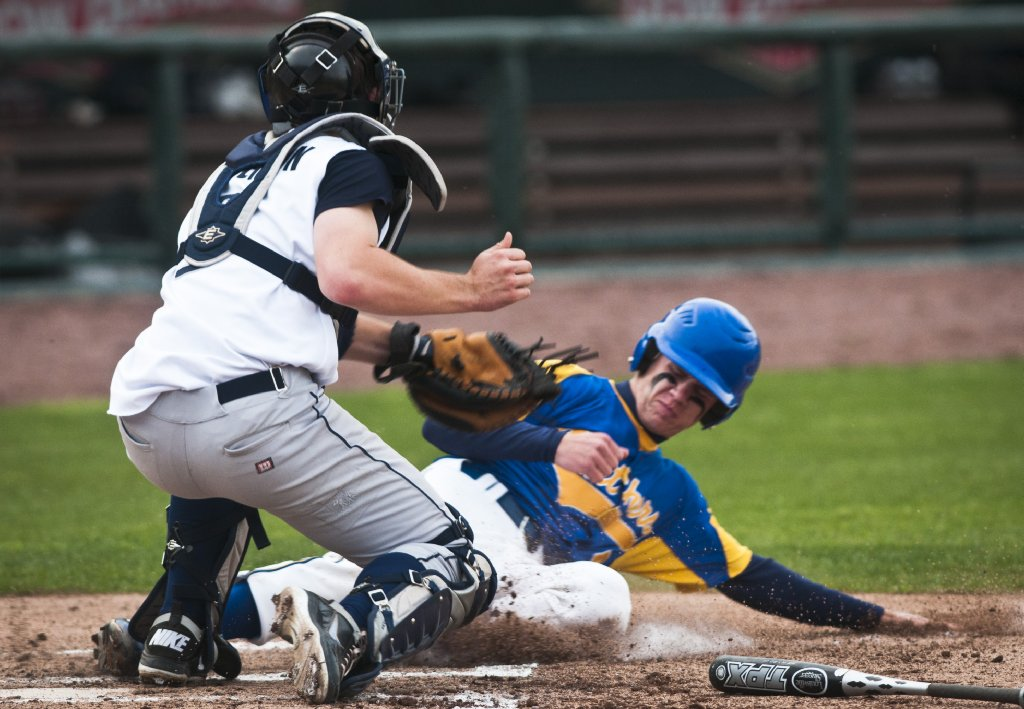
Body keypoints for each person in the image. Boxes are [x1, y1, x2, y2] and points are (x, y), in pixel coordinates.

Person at [96, 298, 932, 678]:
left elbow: (749, 576)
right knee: (601, 594)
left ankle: (217, 627)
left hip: (516, 583)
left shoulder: (672, 497)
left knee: (598, 599)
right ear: (645, 356)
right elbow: (445, 426)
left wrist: (875, 617)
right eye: (673, 372)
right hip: (450, 508)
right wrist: (553, 437)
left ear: (716, 412)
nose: (678, 391)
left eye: (700, 393)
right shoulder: (573, 385)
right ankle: (168, 629)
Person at [97, 12, 531, 704]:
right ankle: (350, 629)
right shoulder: (350, 157)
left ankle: (176, 628)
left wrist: (408, 346)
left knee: (220, 473)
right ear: (368, 91)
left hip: (148, 423)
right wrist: (471, 294)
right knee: (454, 556)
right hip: (254, 423)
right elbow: (346, 275)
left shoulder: (233, 175)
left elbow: (288, 302)